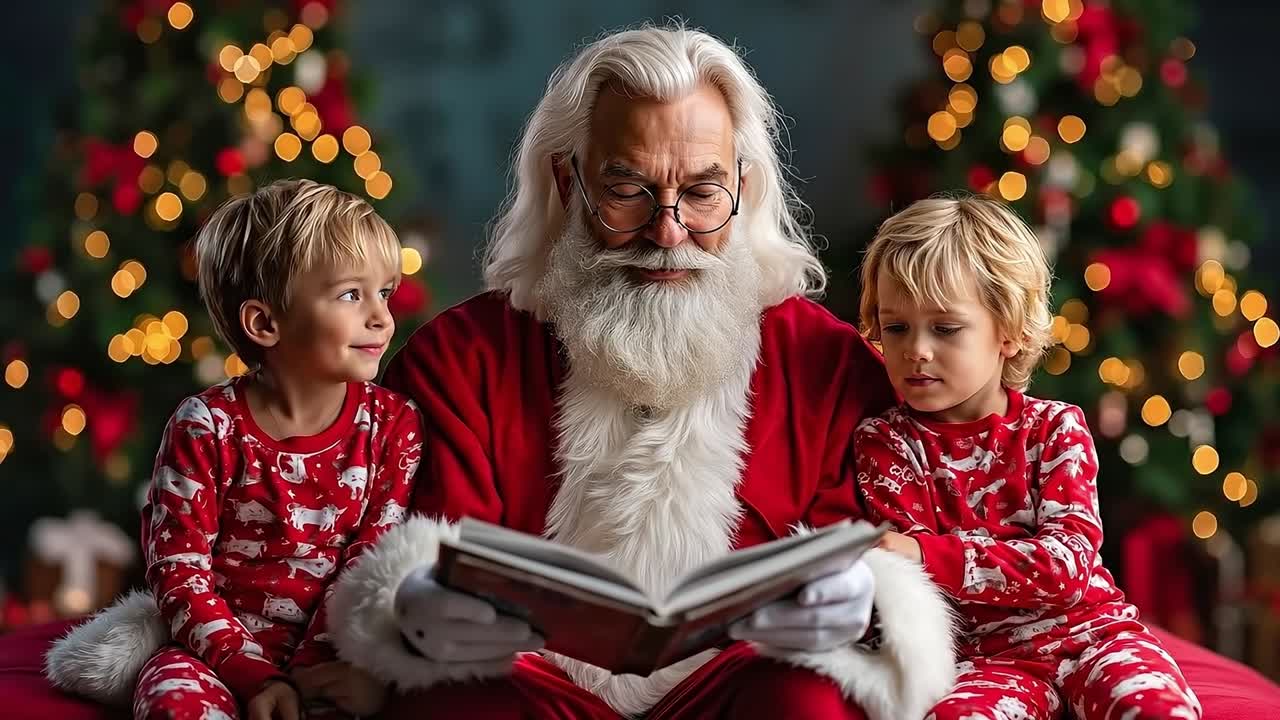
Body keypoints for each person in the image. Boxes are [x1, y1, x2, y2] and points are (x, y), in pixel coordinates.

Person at [322, 23, 957, 720]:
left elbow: (894, 542)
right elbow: (387, 547)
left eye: (704, 192)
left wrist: (868, 600)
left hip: (735, 691)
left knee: (807, 698)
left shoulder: (830, 366)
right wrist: (410, 604)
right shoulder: (460, 359)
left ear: (744, 185)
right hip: (535, 692)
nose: (667, 231)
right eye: (627, 189)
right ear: (569, 183)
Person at [48, 180, 421, 720]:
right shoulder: (206, 428)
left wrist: (313, 676)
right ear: (265, 323)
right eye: (350, 294)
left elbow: (373, 564)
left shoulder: (393, 427)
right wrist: (252, 673)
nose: (381, 317)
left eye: (384, 292)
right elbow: (178, 570)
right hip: (212, 656)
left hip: (337, 658)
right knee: (173, 703)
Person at [854, 194, 1202, 719]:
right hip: (986, 662)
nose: (915, 350)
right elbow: (911, 592)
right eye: (896, 327)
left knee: (1154, 710)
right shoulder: (884, 443)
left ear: (1009, 332)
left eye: (946, 328)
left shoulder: (1055, 428)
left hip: (1094, 638)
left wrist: (929, 554)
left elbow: (1066, 568)